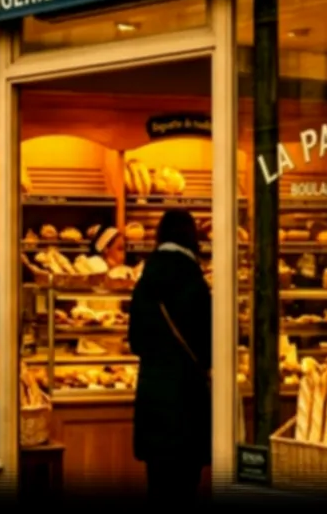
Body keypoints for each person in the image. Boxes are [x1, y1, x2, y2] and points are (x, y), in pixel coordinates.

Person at [128, 209, 210, 501]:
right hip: (187, 398)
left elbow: (135, 341)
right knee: (185, 484)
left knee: (158, 484)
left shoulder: (146, 280)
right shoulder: (195, 280)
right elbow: (208, 344)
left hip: (153, 395)